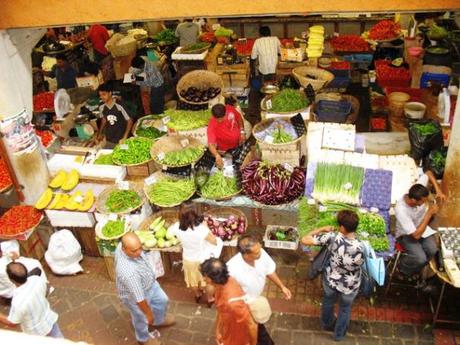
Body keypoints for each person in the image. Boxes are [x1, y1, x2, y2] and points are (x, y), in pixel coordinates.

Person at [301, 210, 365, 341]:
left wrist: (321, 229)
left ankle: (327, 324)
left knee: (328, 302)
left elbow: (304, 239)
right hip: (350, 284)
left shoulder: (332, 237)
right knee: (345, 309)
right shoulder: (362, 246)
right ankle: (338, 335)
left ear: (342, 227)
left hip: (331, 279)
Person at [227, 234, 291, 344]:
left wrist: (282, 287)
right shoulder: (232, 269)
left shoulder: (261, 254)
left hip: (256, 299)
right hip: (244, 304)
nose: (260, 253)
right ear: (245, 254)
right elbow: (229, 293)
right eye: (256, 253)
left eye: (260, 249)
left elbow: (269, 270)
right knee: (256, 329)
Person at [115, 233, 175, 345]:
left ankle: (158, 321)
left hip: (150, 284)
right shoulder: (128, 272)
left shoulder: (122, 245)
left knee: (162, 300)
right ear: (124, 249)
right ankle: (143, 339)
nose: (139, 252)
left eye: (140, 248)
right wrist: (148, 314)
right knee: (141, 317)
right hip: (135, 296)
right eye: (134, 251)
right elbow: (140, 299)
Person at [394, 170, 445, 277]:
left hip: (422, 228)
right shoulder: (401, 210)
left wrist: (438, 190)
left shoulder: (418, 190)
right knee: (420, 259)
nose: (425, 202)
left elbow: (429, 173)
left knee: (433, 250)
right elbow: (415, 235)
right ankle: (402, 268)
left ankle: (415, 267)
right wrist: (429, 214)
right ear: (413, 200)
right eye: (422, 201)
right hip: (406, 235)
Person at [167, 202, 218, 305]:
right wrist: (206, 227)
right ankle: (209, 298)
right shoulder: (201, 229)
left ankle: (198, 294)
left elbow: (169, 233)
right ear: (197, 215)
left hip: (188, 259)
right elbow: (214, 241)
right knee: (207, 281)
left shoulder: (176, 227)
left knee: (192, 280)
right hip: (202, 260)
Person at [200, 258, 258, 345]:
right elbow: (221, 310)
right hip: (228, 332)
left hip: (238, 338)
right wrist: (218, 331)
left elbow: (252, 325)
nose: (203, 279)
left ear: (213, 278)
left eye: (205, 276)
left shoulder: (233, 303)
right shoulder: (223, 282)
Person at [0, 262, 63, 338]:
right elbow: (46, 290)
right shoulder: (37, 279)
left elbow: (12, 322)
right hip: (50, 320)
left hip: (36, 333)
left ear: (12, 280)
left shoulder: (18, 302)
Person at [207, 103, 245, 169]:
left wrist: (242, 132)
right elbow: (211, 144)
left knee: (241, 160)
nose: (219, 121)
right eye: (217, 119)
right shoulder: (212, 125)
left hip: (238, 142)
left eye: (221, 118)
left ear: (225, 112)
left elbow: (239, 118)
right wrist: (217, 155)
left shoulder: (229, 109)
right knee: (230, 166)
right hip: (225, 150)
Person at [96, 83, 134, 148]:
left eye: (104, 94)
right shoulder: (101, 106)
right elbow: (104, 120)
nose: (101, 97)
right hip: (109, 138)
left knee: (124, 153)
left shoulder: (119, 105)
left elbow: (130, 121)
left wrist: (125, 137)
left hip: (121, 137)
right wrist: (100, 133)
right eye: (100, 95)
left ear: (110, 93)